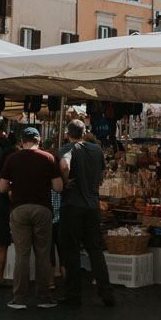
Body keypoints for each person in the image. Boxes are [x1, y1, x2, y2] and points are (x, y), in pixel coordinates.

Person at [0, 126, 63, 310]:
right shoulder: (49, 158)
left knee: (22, 255)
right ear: (38, 140)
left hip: (19, 209)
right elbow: (58, 187)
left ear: (22, 141)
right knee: (43, 255)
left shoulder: (12, 158)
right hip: (42, 209)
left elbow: (2, 188)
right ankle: (44, 297)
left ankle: (19, 299)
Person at [59, 119, 114, 307]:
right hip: (92, 206)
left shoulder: (67, 148)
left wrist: (65, 182)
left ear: (68, 134)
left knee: (71, 251)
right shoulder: (97, 150)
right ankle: (106, 292)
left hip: (72, 207)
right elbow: (101, 175)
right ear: (84, 133)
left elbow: (64, 166)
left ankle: (73, 296)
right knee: (95, 250)